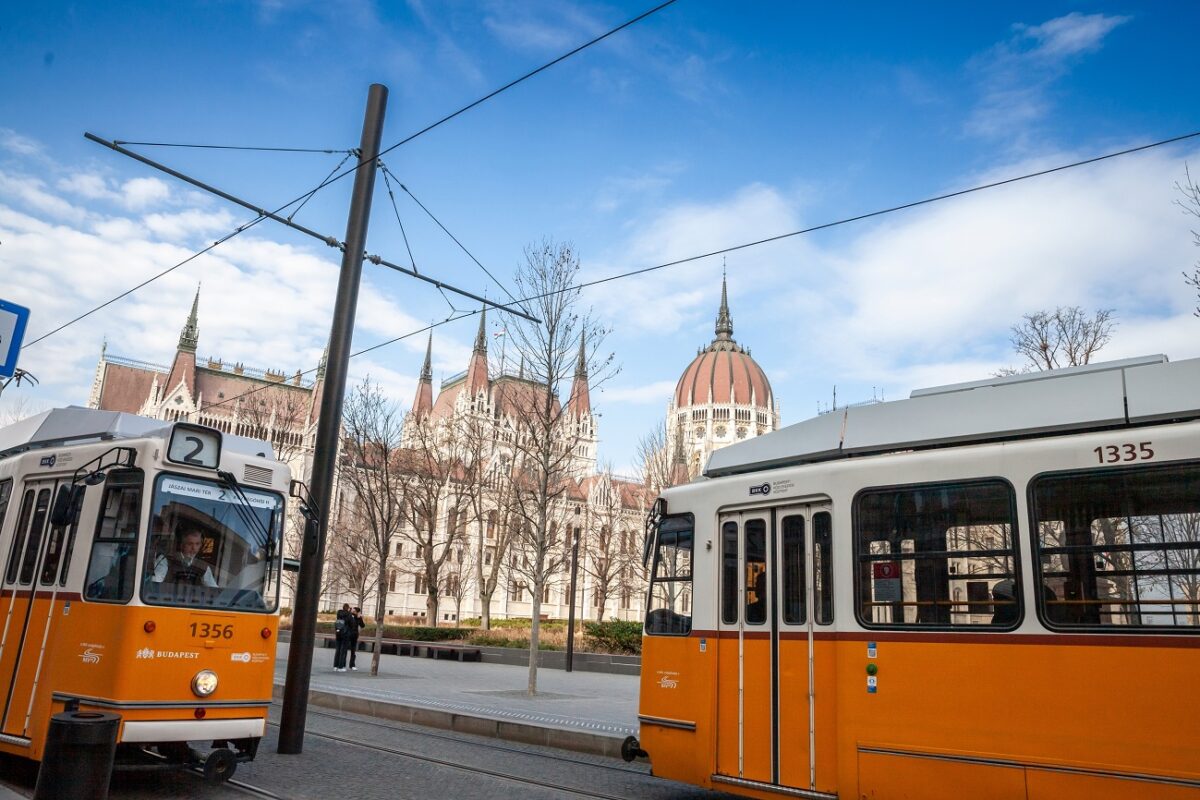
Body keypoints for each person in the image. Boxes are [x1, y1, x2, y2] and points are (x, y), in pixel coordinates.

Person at [153, 527, 217, 588]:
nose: (194, 548)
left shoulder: (203, 566)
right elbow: (154, 583)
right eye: (190, 544)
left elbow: (214, 589)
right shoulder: (165, 560)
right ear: (182, 545)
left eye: (197, 544)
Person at [333, 603, 353, 672]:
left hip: (338, 632)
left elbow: (340, 618)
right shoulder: (349, 614)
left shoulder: (339, 613)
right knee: (343, 650)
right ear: (348, 608)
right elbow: (351, 623)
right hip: (345, 633)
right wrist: (349, 612)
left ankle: (335, 666)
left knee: (338, 650)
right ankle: (341, 666)